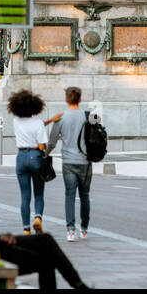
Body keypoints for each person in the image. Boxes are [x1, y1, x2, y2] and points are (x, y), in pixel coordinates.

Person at [9, 89, 49, 234]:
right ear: (35, 107)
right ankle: (38, 218)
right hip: (35, 156)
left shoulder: (16, 122)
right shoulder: (38, 123)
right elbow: (42, 145)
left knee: (25, 196)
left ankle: (26, 229)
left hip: (21, 157)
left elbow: (28, 125)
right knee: (38, 193)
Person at [56, 87, 93, 242]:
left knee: (69, 195)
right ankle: (84, 227)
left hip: (68, 162)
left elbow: (51, 140)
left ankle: (70, 230)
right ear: (80, 100)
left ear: (66, 100)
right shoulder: (87, 116)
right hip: (85, 161)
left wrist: (45, 153)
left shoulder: (61, 118)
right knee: (84, 195)